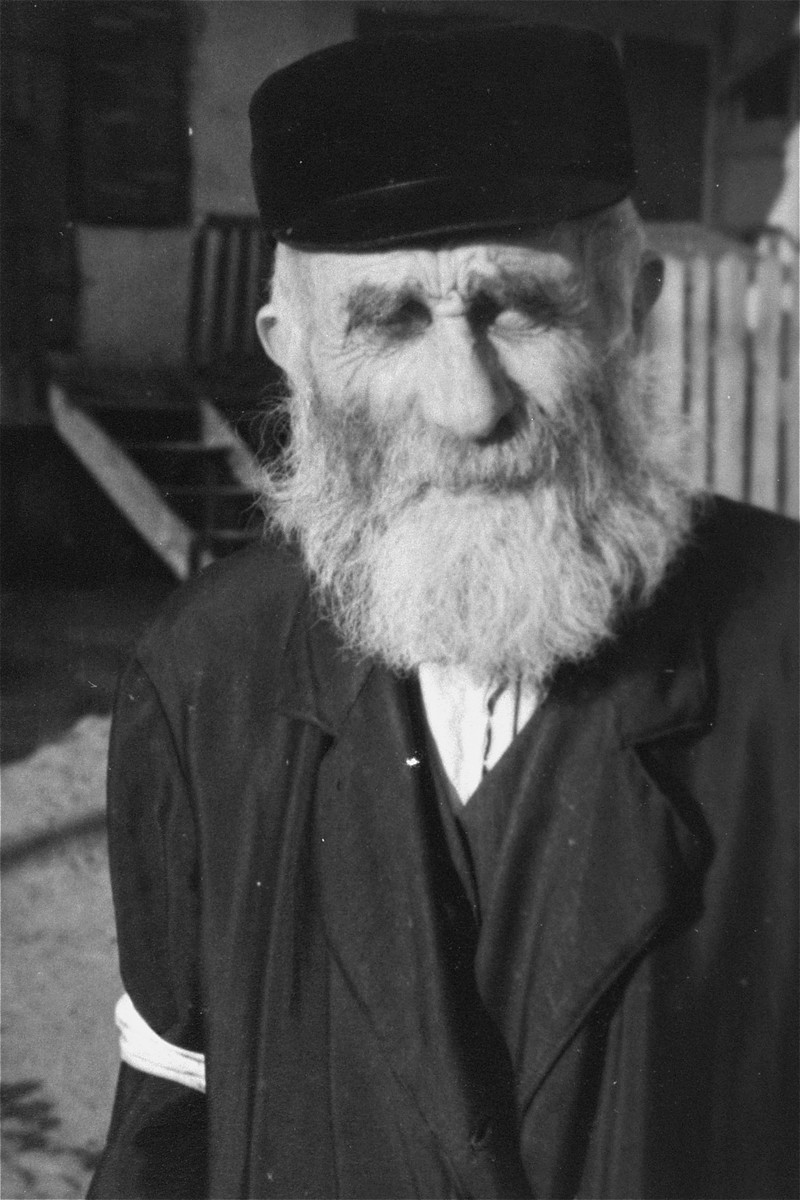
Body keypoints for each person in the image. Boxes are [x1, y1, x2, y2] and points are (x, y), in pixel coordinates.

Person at [88, 23, 798, 1200]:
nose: (466, 407)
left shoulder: (785, 652)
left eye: (516, 308)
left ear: (630, 313)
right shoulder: (201, 668)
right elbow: (169, 1123)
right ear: (295, 353)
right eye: (390, 321)